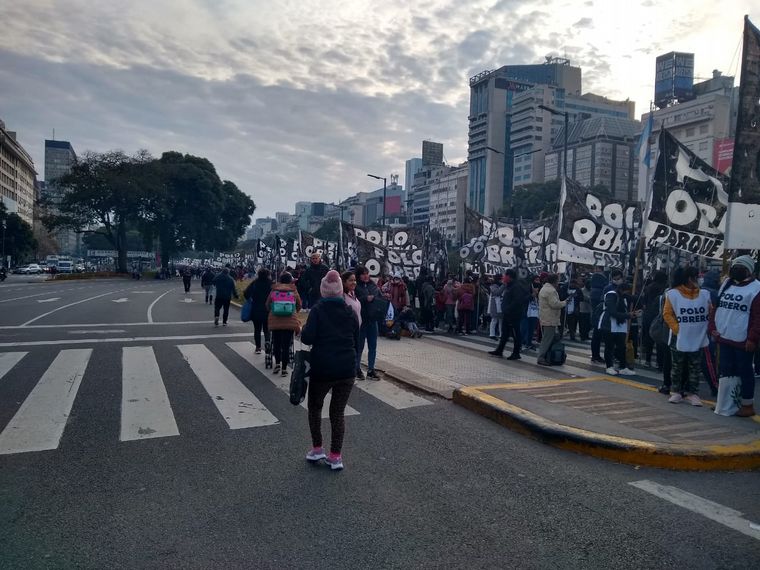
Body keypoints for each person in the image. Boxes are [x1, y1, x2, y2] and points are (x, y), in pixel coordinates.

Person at [301, 270, 360, 470]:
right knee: (338, 413)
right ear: (341, 290)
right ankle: (336, 456)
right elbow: (356, 336)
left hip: (323, 368)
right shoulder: (349, 311)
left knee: (315, 408)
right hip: (347, 369)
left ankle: (317, 449)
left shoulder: (318, 310)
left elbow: (308, 338)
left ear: (324, 290)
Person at [709, 255, 760, 417]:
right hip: (724, 337)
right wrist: (712, 328)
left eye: (741, 267)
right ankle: (725, 403)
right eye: (735, 266)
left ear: (749, 271)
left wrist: (752, 338)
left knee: (744, 371)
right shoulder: (727, 284)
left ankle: (747, 405)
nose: (736, 270)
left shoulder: (756, 289)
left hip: (743, 340)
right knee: (726, 371)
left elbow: (758, 317)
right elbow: (716, 308)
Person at [662, 266, 710, 406]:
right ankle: (676, 392)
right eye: (697, 276)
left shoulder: (705, 294)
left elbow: (710, 312)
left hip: (698, 336)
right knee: (677, 365)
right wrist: (678, 329)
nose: (700, 279)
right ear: (690, 278)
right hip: (679, 337)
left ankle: (693, 393)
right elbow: (667, 314)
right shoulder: (673, 294)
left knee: (694, 366)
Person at [265, 271, 302, 376]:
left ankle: (277, 364)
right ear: (290, 280)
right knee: (286, 346)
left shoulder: (274, 289)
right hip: (289, 321)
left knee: (276, 343)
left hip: (275, 320)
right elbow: (299, 304)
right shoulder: (293, 290)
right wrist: (294, 312)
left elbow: (267, 304)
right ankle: (285, 368)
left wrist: (272, 310)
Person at [597, 279, 636, 376]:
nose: (628, 294)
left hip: (620, 325)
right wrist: (628, 315)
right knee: (609, 346)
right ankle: (609, 366)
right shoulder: (611, 295)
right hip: (608, 324)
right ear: (623, 290)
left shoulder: (623, 296)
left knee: (621, 347)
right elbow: (612, 312)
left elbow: (634, 298)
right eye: (627, 291)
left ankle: (623, 367)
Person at [489, 270, 529, 360]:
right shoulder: (510, 286)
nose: (504, 277)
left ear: (510, 276)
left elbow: (517, 301)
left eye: (505, 275)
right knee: (505, 333)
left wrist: (508, 309)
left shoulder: (516, 286)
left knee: (516, 334)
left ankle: (516, 353)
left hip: (513, 314)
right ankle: (499, 350)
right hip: (507, 314)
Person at [354, 266, 381, 380]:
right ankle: (357, 368)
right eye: (363, 274)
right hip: (361, 320)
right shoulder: (356, 286)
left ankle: (371, 369)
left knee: (373, 346)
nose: (366, 276)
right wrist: (365, 299)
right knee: (359, 346)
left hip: (372, 320)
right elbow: (353, 300)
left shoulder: (373, 285)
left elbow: (379, 298)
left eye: (367, 273)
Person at [537, 274, 567, 366]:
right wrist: (565, 302)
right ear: (554, 281)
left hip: (545, 317)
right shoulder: (551, 291)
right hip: (550, 318)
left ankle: (547, 356)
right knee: (547, 339)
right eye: (558, 280)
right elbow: (554, 304)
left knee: (548, 338)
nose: (558, 283)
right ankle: (541, 357)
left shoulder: (544, 288)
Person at [244, 268, 272, 354]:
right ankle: (267, 341)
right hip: (268, 309)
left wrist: (250, 299)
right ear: (268, 275)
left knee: (257, 329)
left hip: (256, 308)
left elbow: (246, 293)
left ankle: (258, 347)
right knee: (267, 329)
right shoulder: (271, 284)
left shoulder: (255, 283)